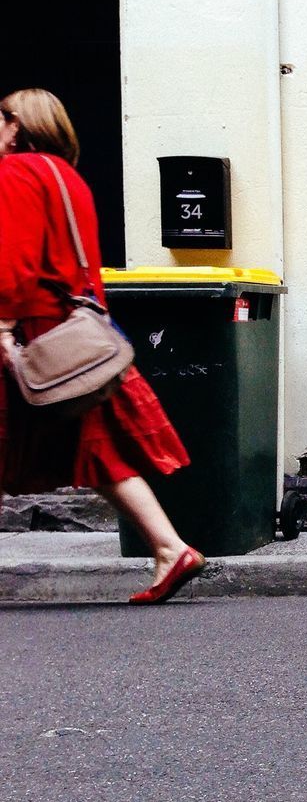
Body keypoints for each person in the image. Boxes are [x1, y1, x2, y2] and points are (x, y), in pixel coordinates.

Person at [0, 88, 204, 604]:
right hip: (77, 335)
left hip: (36, 334)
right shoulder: (69, 178)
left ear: (16, 125)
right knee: (101, 449)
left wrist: (3, 324)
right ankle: (169, 547)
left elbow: (15, 262)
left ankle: (170, 547)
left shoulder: (16, 174)